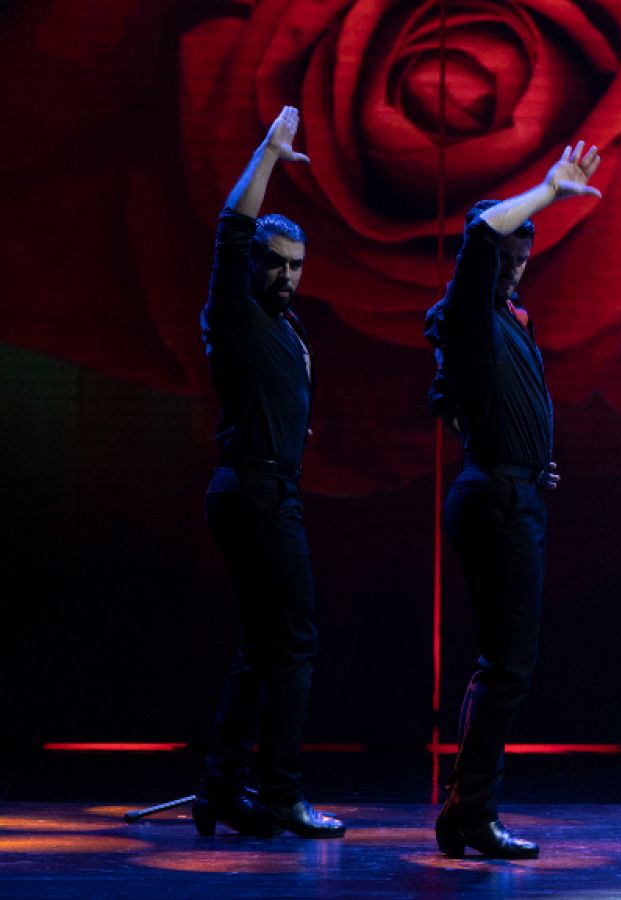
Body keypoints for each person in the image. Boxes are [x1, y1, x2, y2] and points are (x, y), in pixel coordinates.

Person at [422, 141, 601, 859]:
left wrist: (533, 465)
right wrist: (551, 191)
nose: (518, 267)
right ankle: (469, 811)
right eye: (510, 255)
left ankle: (469, 809)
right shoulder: (471, 314)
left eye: (525, 257)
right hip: (494, 498)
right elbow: (479, 235)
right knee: (506, 666)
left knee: (507, 663)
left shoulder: (509, 323)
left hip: (515, 490)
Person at [197, 105, 345, 839]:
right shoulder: (236, 314)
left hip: (267, 487)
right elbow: (230, 228)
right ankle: (282, 794)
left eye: (295, 266)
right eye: (274, 263)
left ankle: (221, 790)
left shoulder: (287, 329)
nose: (285, 276)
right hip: (253, 488)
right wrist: (267, 152)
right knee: (295, 642)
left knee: (265, 645)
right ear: (254, 265)